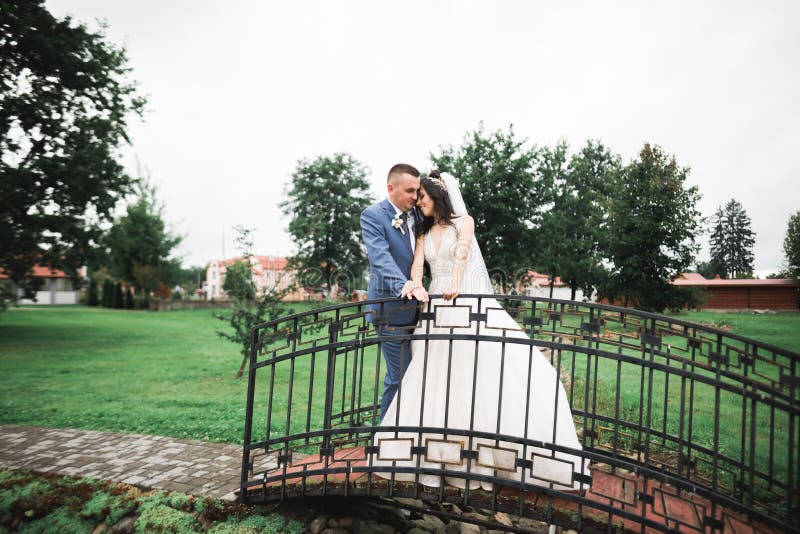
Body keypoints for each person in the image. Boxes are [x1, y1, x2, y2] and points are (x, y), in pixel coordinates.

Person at [372, 170, 590, 492]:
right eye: (416, 197)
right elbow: (419, 264)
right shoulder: (422, 230)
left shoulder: (465, 222)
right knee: (436, 378)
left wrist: (457, 285)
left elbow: (461, 255)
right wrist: (417, 283)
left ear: (438, 197)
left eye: (423, 197)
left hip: (459, 298)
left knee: (470, 374)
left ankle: (478, 454)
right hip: (433, 305)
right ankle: (434, 453)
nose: (419, 202)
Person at [360, 164, 430, 421]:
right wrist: (406, 286)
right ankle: (386, 439)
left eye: (417, 190)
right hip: (390, 310)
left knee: (420, 375)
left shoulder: (421, 215)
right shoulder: (373, 216)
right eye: (410, 191)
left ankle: (412, 429)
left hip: (423, 312)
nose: (415, 196)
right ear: (391, 188)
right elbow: (381, 259)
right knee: (399, 375)